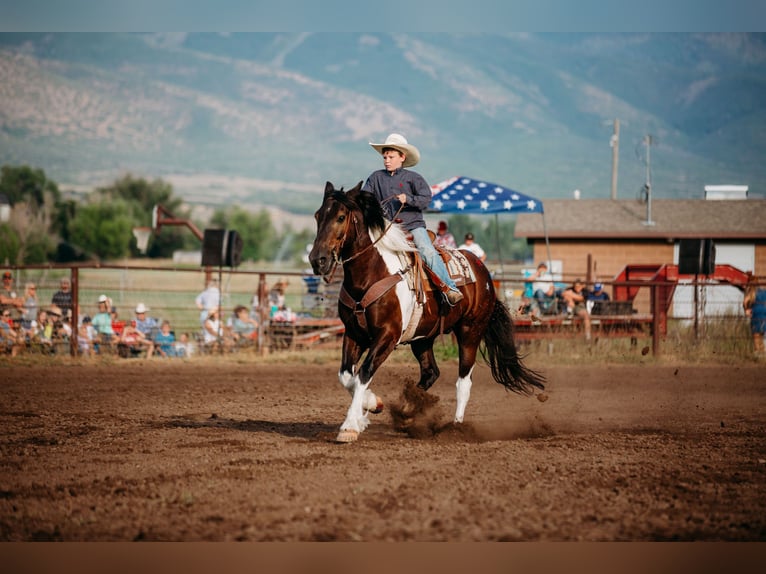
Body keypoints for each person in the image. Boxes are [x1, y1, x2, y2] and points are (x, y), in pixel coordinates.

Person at [362, 133, 463, 305]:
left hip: (412, 226)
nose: (387, 160)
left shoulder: (413, 178)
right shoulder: (375, 177)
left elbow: (426, 199)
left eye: (391, 156)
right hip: (387, 228)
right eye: (385, 156)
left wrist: (409, 199)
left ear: (402, 157)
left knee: (427, 250)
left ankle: (450, 288)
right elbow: (365, 197)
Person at [743, 276, 766, 358]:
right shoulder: (763, 291)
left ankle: (757, 354)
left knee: (756, 335)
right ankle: (763, 354)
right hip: (764, 314)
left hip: (756, 314)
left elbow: (745, 302)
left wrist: (746, 310)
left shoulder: (751, 293)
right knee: (762, 335)